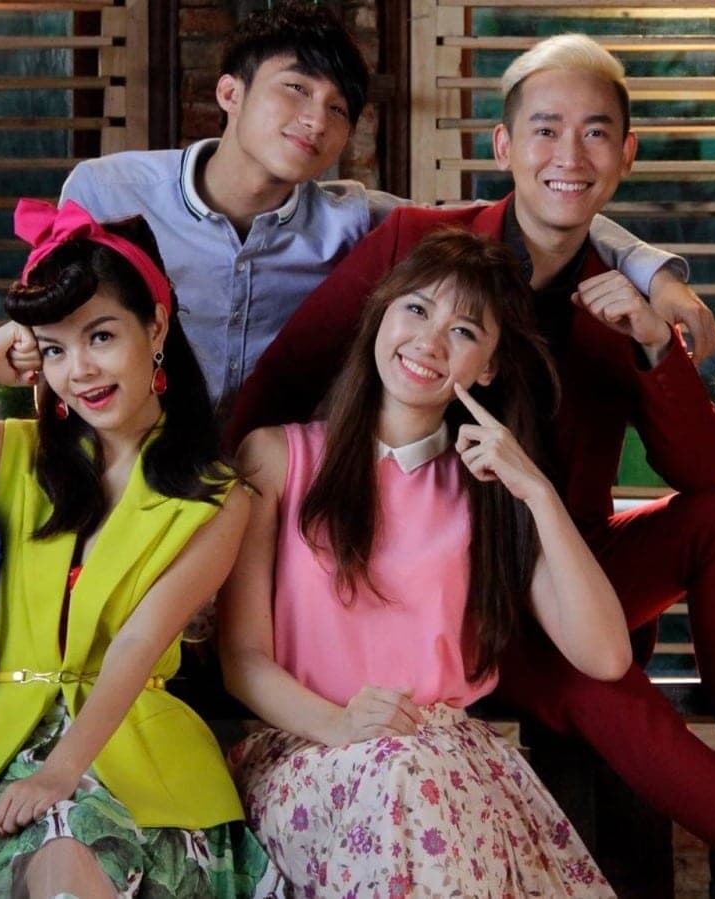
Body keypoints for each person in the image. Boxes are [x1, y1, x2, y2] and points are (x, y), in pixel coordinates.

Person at [227, 34, 715, 899]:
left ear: (626, 155)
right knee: (605, 691)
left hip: (565, 563)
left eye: (595, 133)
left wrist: (653, 343)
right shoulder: (424, 249)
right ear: (503, 146)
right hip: (463, 595)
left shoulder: (623, 297)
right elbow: (283, 382)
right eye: (546, 130)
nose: (570, 155)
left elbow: (701, 469)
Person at [0, 199, 283, 899]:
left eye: (101, 336)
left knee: (70, 844)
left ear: (156, 327)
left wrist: (62, 771)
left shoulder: (218, 497)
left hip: (138, 754)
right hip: (0, 754)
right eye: (55, 350)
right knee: (48, 852)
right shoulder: (12, 451)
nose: (81, 370)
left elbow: (138, 642)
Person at [59, 0, 715, 420]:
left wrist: (656, 272)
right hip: (126, 457)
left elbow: (539, 205)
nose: (315, 119)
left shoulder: (354, 219)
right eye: (296, 89)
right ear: (230, 92)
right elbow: (51, 329)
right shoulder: (108, 193)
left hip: (263, 479)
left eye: (338, 108)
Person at [221, 229, 631, 897]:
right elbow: (242, 659)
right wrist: (342, 725)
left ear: (489, 367)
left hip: (446, 763)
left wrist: (537, 492)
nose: (430, 341)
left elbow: (605, 654)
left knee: (410, 779)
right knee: (398, 779)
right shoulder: (276, 457)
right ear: (381, 316)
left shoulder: (490, 491)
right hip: (308, 751)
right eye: (415, 308)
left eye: (464, 330)